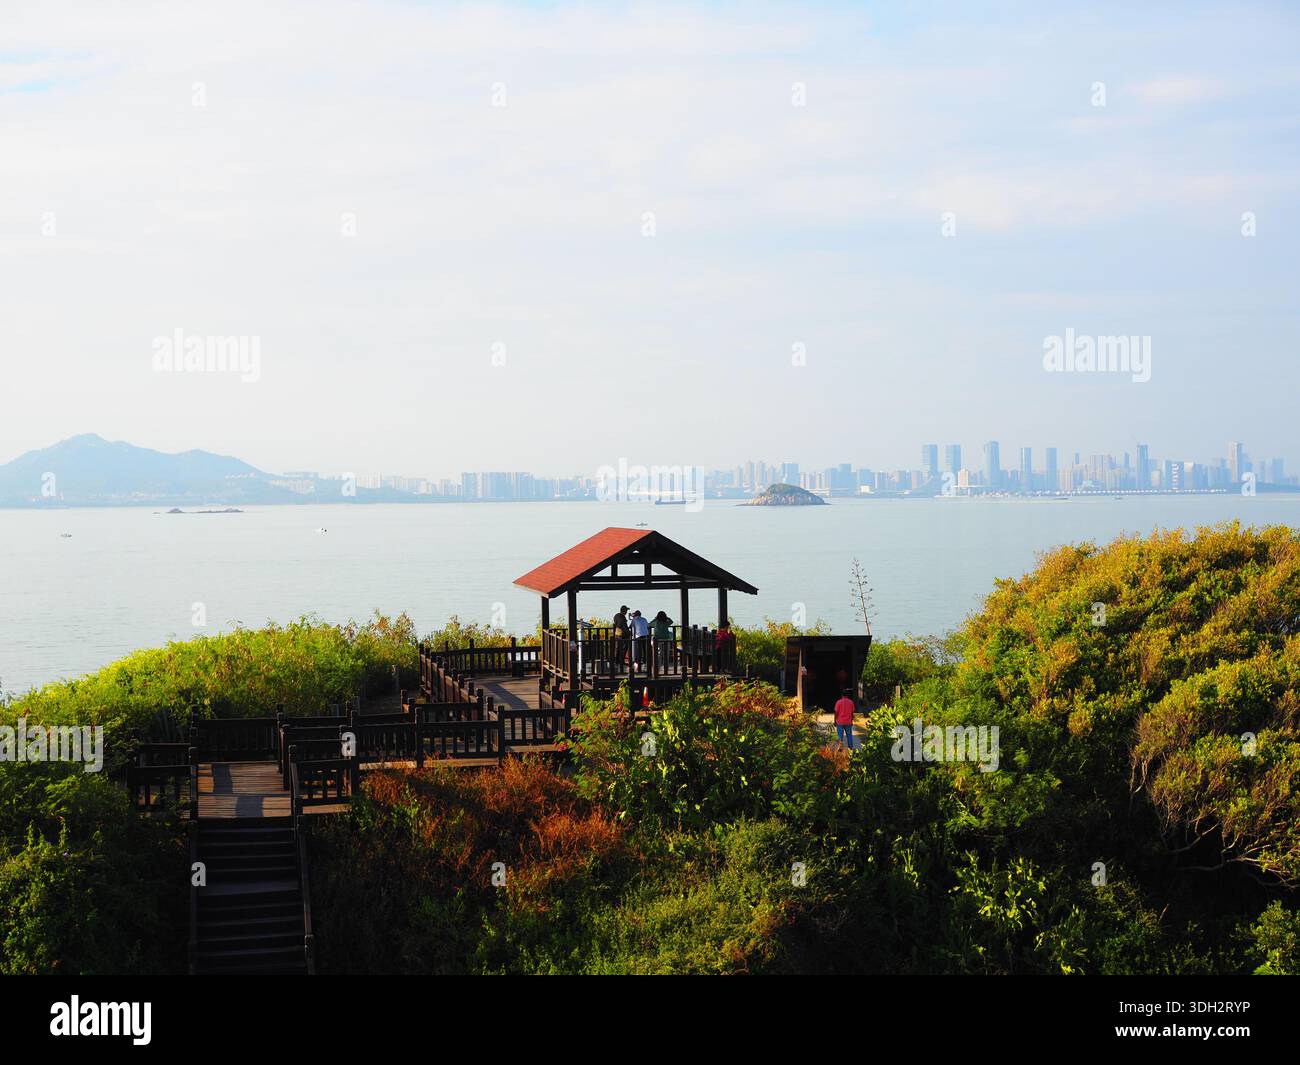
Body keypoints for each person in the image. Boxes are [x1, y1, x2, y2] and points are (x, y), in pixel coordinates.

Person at [612, 605, 630, 671]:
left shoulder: (616, 615)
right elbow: (624, 627)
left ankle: (616, 660)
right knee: (624, 647)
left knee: (618, 647)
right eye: (626, 611)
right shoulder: (622, 617)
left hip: (617, 633)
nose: (626, 612)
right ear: (624, 611)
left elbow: (615, 623)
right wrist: (629, 633)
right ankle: (621, 660)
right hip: (623, 635)